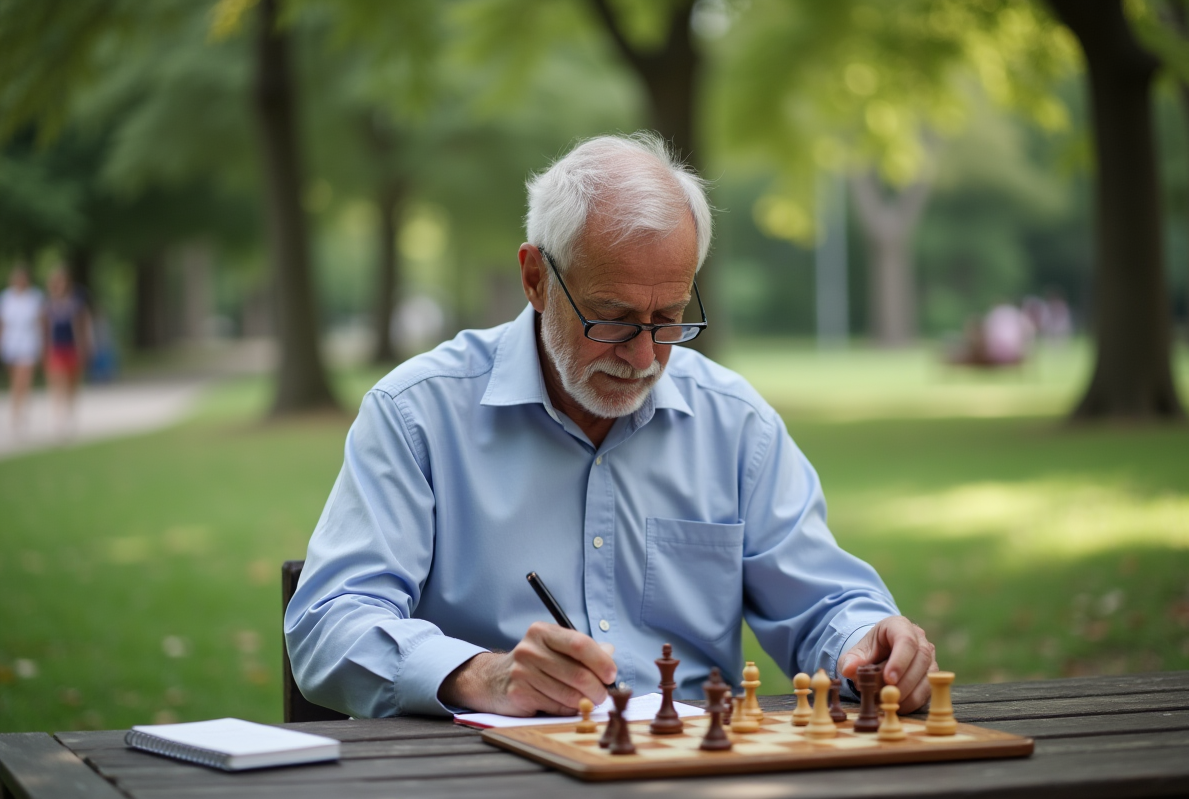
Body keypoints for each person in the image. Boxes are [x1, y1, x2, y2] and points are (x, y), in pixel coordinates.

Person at [286, 133, 936, 720]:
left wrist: (868, 640)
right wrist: (483, 675)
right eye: (613, 319)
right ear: (535, 279)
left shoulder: (735, 425)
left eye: (669, 318)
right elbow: (329, 624)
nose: (644, 356)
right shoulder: (417, 414)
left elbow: (822, 603)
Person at [43, 267, 90, 435]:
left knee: (72, 385)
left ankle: (71, 414)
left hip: (72, 348)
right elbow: (45, 331)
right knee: (58, 385)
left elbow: (83, 328)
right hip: (57, 349)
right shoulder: (48, 305)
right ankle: (59, 420)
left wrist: (84, 348)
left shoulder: (76, 303)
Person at [0, 264, 45, 435]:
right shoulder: (6, 298)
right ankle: (16, 410)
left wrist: (41, 345)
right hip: (11, 343)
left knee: (24, 378)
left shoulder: (34, 297)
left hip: (28, 342)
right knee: (15, 381)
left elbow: (39, 324)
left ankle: (20, 412)